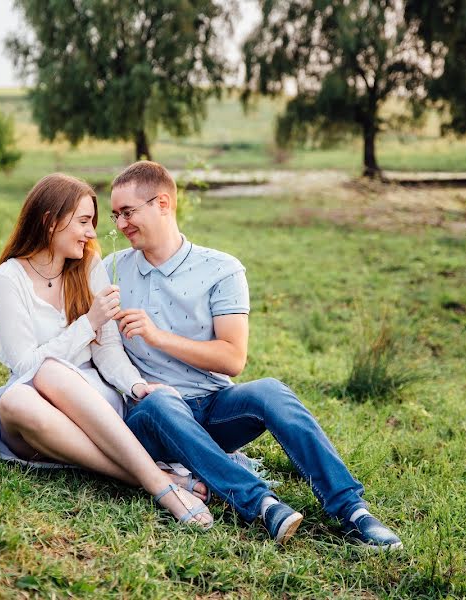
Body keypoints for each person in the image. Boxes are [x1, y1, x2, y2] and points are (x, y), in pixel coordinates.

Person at [102, 161, 402, 549]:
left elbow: (232, 359)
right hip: (151, 415)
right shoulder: (111, 270)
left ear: (162, 203)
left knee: (271, 390)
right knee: (161, 402)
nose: (120, 224)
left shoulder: (221, 269)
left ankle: (352, 511)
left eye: (128, 212)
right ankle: (260, 503)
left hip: (212, 404)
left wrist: (158, 337)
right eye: (115, 215)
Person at [0, 173, 212, 528]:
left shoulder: (88, 267)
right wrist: (88, 322)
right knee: (17, 398)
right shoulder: (9, 281)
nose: (92, 233)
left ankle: (160, 486)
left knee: (50, 372)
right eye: (84, 221)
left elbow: (108, 349)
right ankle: (155, 478)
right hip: (39, 411)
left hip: (94, 405)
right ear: (51, 222)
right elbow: (26, 368)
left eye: (93, 223)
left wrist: (135, 386)